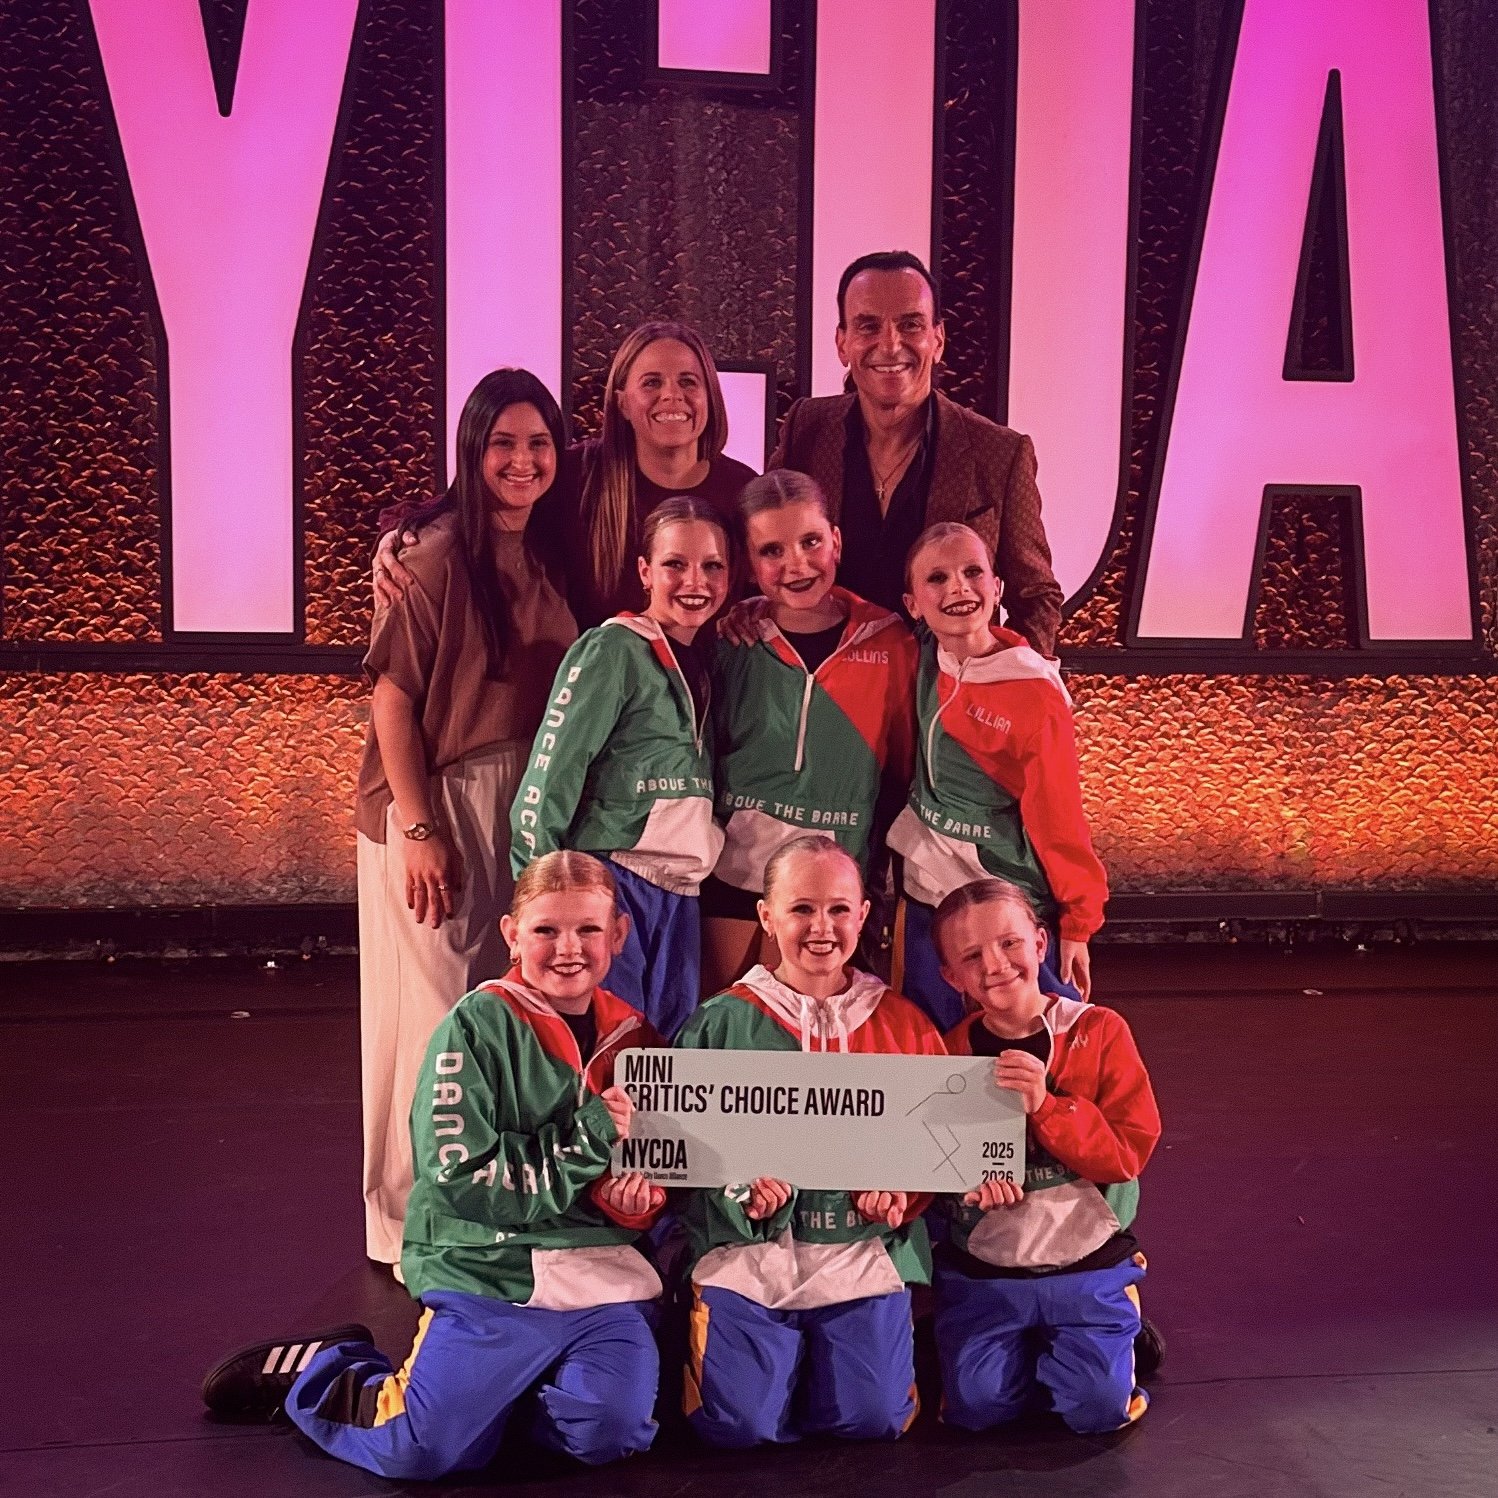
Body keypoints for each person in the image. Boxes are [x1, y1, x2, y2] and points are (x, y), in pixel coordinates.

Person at [202, 852, 668, 1479]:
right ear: (512, 935)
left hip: (606, 1280)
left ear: (618, 934)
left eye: (588, 929)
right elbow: (462, 1181)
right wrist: (586, 1139)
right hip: (492, 1272)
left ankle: (492, 1400)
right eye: (546, 930)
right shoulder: (475, 1026)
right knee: (422, 1451)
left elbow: (655, 1172)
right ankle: (325, 1370)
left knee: (611, 1433)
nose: (568, 948)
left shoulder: (640, 1037)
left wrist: (638, 1202)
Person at [356, 369, 578, 1267]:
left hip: (525, 794)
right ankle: (412, 1217)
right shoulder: (434, 555)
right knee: (436, 1017)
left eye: (539, 444)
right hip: (442, 797)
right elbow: (392, 699)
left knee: (495, 1008)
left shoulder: (549, 549)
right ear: (470, 450)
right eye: (502, 444)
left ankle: (476, 1202)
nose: (523, 462)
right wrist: (419, 830)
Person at [674, 835, 946, 1448]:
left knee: (872, 1419)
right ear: (766, 916)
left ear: (864, 915)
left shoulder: (904, 1024)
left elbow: (940, 1147)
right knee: (739, 1428)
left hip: (859, 1251)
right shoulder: (719, 1023)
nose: (822, 927)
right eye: (801, 908)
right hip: (749, 1256)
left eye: (838, 909)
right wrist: (737, 1193)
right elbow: (682, 1153)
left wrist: (901, 1193)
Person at [931, 878, 1160, 1436]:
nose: (995, 964)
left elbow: (1126, 1155)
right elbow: (936, 1167)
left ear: (1040, 943)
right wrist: (965, 1191)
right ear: (951, 976)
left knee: (1096, 1409)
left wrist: (1047, 1106)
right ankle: (1034, 1346)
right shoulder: (947, 1055)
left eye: (1009, 943)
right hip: (989, 1273)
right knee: (976, 1410)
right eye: (971, 956)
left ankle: (1115, 1330)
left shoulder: (1099, 1030)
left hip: (1085, 1262)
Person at [767, 249, 1064, 655]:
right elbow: (762, 551)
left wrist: (1010, 680)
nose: (890, 345)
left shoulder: (1000, 452)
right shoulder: (806, 427)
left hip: (941, 689)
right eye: (868, 326)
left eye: (910, 324)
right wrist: (749, 619)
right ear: (842, 343)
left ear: (937, 340)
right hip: (820, 683)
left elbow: (1036, 597)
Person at [510, 498, 732, 1037]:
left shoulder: (710, 657)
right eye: (675, 564)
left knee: (664, 1057)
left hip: (681, 892)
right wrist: (539, 901)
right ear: (644, 571)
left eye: (712, 565)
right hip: (613, 879)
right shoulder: (613, 647)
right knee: (604, 1047)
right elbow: (550, 775)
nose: (695, 581)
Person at [373, 321, 758, 630]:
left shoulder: (743, 491)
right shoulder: (577, 474)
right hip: (597, 697)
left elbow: (773, 577)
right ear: (622, 402)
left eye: (688, 381)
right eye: (652, 382)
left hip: (714, 696)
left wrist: (760, 608)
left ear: (710, 396)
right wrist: (398, 538)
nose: (672, 395)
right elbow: (466, 503)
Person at [702, 470, 917, 993]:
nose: (796, 564)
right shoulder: (730, 641)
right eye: (771, 551)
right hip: (736, 877)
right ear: (748, 564)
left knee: (821, 1034)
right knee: (731, 1025)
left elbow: (903, 773)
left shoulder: (891, 642)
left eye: (811, 542)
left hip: (836, 886)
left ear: (836, 541)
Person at [888, 522, 1107, 1030]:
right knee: (932, 1043)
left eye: (973, 573)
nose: (959, 588)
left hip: (1007, 900)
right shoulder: (926, 651)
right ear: (913, 604)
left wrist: (1078, 921)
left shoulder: (1034, 692)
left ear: (998, 587)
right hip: (928, 892)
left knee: (1040, 1038)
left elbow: (1060, 819)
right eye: (938, 578)